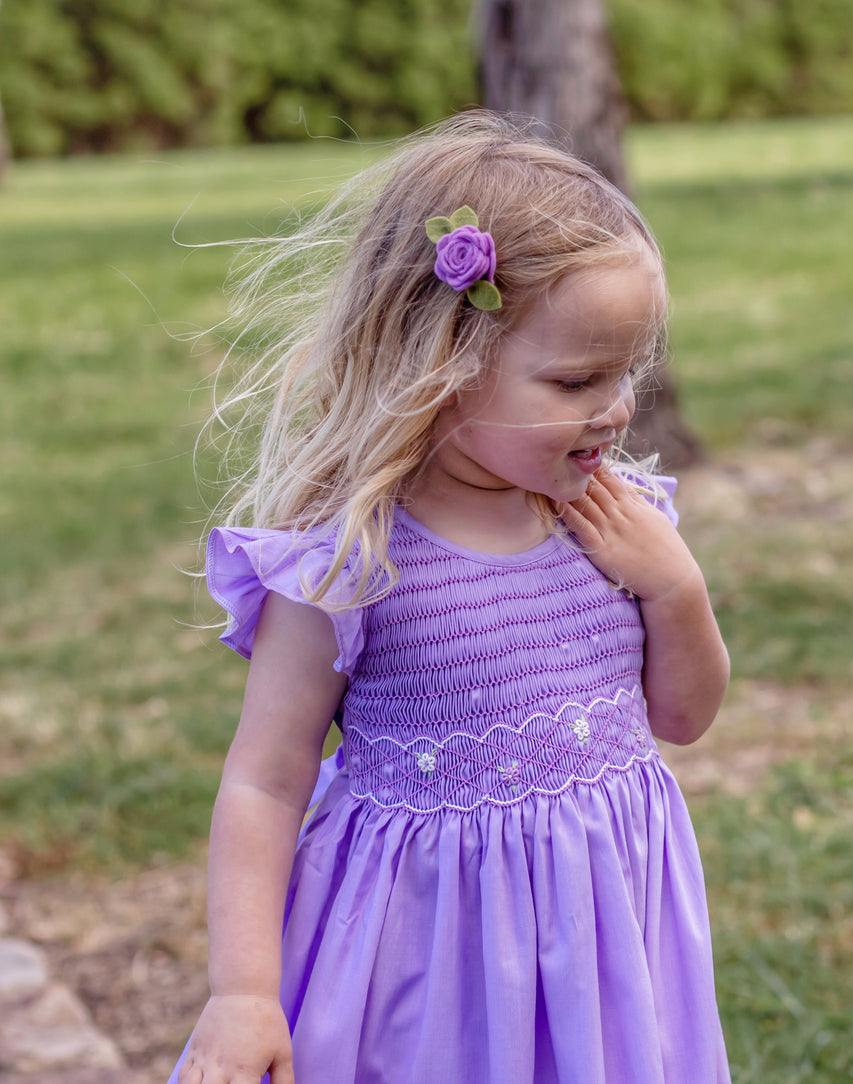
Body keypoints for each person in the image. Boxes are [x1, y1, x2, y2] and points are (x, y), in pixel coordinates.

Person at [170, 111, 731, 1084]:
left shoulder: (617, 522)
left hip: (600, 938)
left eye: (627, 371)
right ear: (443, 365)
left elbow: (683, 717)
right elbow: (263, 779)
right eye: (574, 378)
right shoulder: (349, 560)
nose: (614, 406)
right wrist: (242, 991)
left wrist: (675, 587)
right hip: (425, 965)